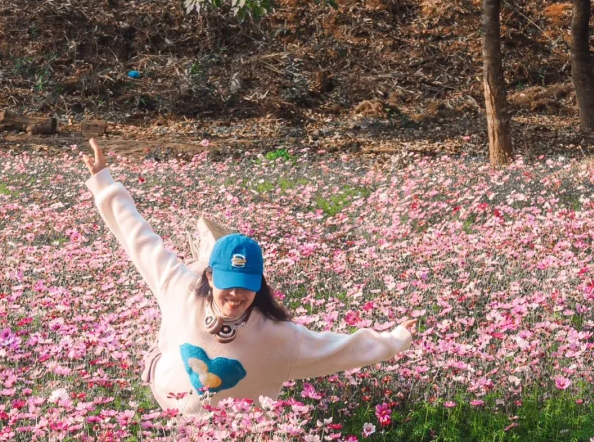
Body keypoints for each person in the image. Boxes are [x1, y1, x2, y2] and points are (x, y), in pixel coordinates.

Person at [81, 139, 415, 416]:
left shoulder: (279, 336)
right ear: (213, 279)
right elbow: (140, 240)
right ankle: (208, 251)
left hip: (232, 432)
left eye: (248, 286)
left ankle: (212, 247)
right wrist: (104, 184)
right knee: (180, 311)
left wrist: (396, 339)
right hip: (167, 393)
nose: (237, 295)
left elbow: (340, 349)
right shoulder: (179, 287)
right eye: (229, 283)